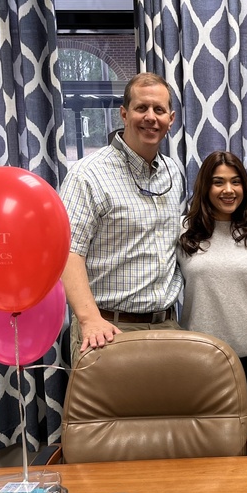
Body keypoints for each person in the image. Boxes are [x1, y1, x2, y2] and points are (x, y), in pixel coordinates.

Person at [59, 73, 185, 362]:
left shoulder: (173, 173)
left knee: (164, 408)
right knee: (110, 410)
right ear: (124, 114)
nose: (151, 117)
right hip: (106, 329)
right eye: (142, 108)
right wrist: (90, 320)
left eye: (159, 110)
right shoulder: (87, 174)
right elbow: (68, 252)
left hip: (166, 325)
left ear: (171, 119)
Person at [178, 151, 247, 442]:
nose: (228, 190)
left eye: (236, 182)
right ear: (205, 188)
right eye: (218, 182)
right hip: (202, 357)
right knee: (207, 437)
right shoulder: (184, 232)